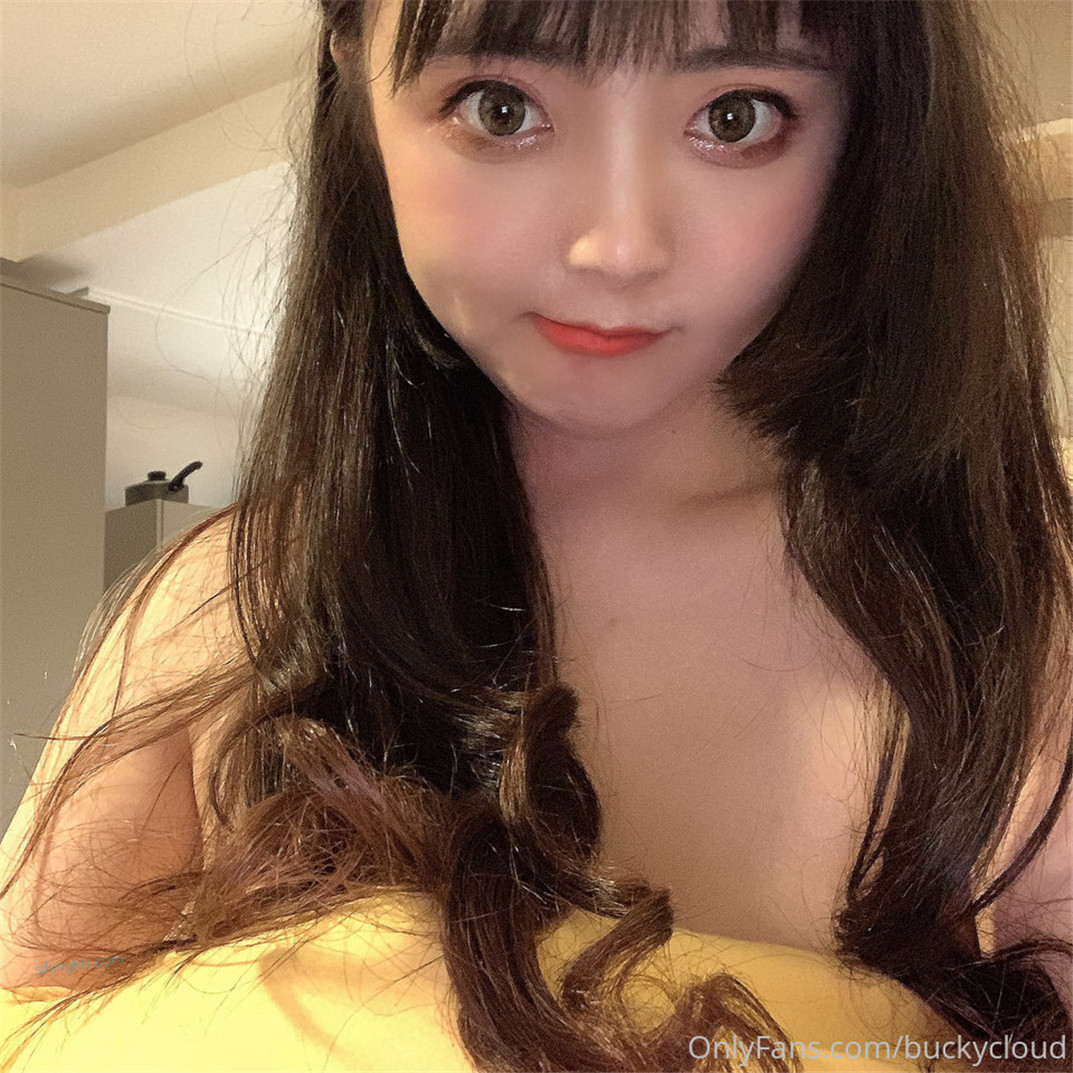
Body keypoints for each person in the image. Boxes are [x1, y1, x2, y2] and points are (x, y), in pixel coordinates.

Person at [2, 0, 1071, 1070]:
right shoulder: (229, 604)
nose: (618, 248)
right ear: (355, 86)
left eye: (735, 116)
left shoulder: (1013, 630)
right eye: (500, 108)